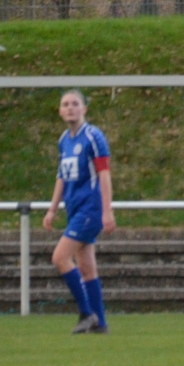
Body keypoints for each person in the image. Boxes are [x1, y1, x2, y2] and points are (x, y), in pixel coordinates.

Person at [42, 89, 116, 335]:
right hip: (74, 209)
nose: (70, 108)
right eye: (65, 104)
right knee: (86, 267)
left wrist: (107, 210)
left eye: (75, 103)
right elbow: (62, 177)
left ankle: (86, 313)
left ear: (84, 109)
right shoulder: (64, 139)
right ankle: (100, 324)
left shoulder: (93, 136)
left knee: (59, 257)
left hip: (90, 208)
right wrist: (52, 209)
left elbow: (104, 173)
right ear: (60, 111)